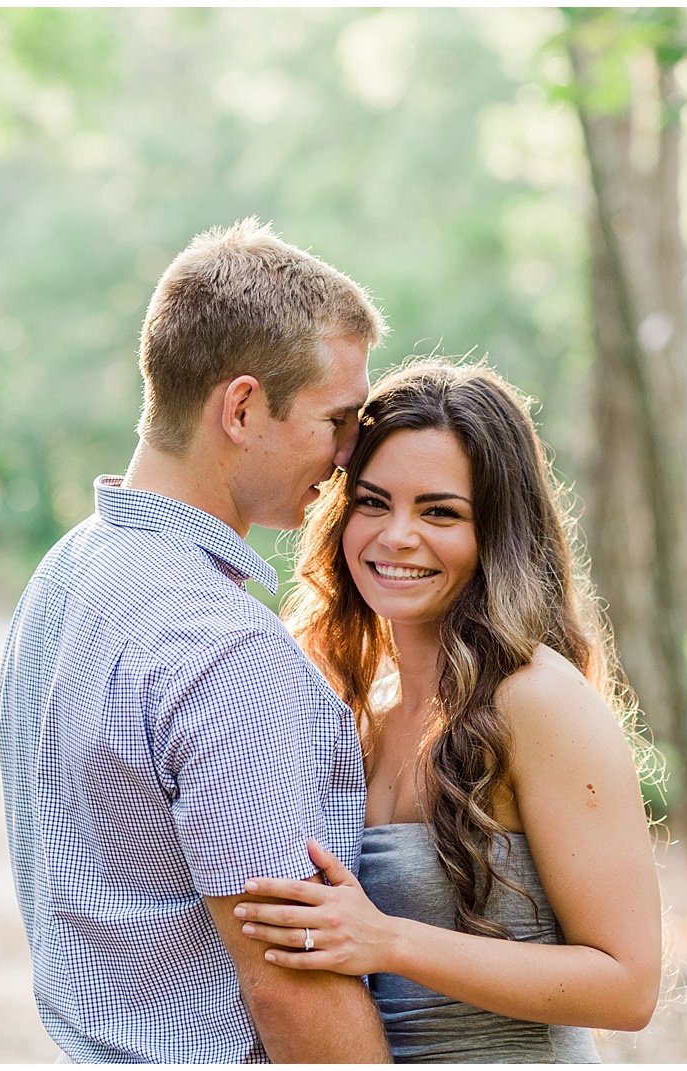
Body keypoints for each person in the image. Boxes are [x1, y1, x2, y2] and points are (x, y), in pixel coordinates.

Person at [0, 218, 395, 1062]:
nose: (350, 455)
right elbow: (288, 978)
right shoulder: (223, 648)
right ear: (243, 407)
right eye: (336, 419)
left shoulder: (69, 570)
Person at [234, 358, 662, 1062]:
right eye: (373, 502)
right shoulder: (355, 701)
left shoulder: (537, 699)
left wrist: (388, 939)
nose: (397, 535)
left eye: (440, 511)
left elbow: (628, 984)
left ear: (496, 533)